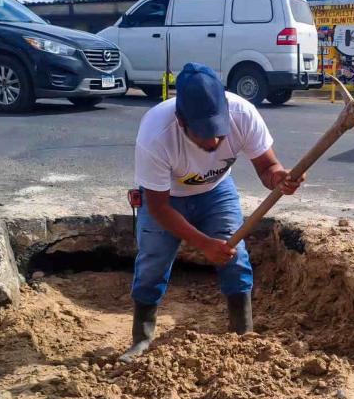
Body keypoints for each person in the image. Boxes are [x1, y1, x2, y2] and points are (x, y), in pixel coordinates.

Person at [120, 62, 304, 362]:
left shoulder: (242, 114)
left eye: (218, 131)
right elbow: (158, 207)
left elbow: (268, 167)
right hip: (166, 199)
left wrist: (280, 178)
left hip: (215, 191)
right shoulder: (156, 133)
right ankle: (141, 338)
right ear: (181, 121)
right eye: (202, 134)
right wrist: (204, 244)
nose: (213, 142)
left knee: (236, 257)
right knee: (152, 260)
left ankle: (243, 335)